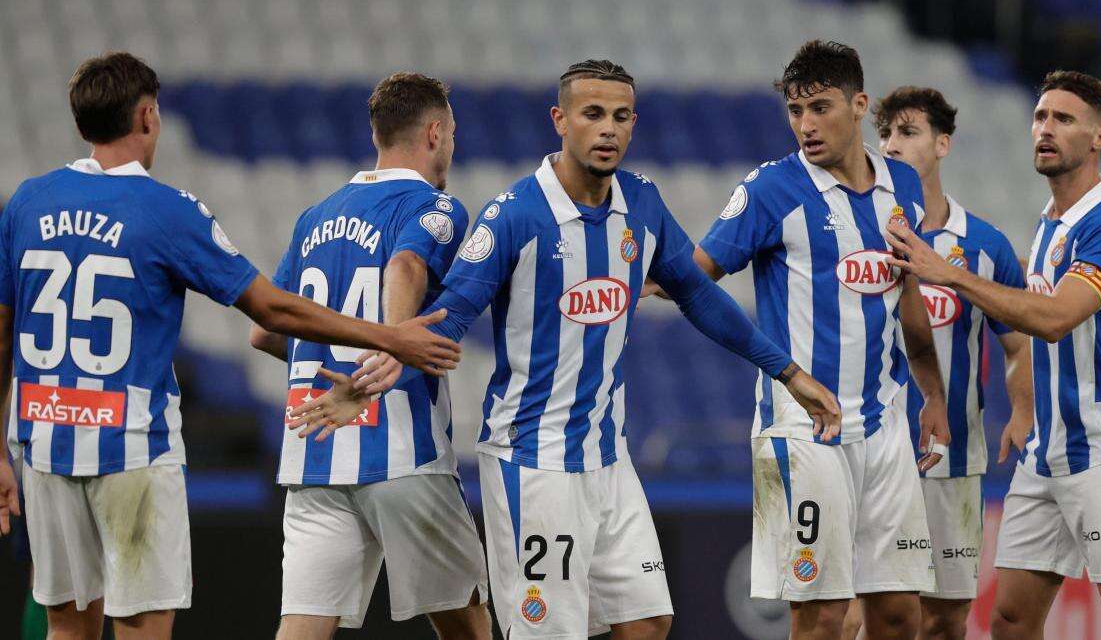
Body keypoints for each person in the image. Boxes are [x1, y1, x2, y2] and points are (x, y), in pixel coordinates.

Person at [291, 58, 842, 640]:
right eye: (593, 114)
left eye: (621, 117)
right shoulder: (515, 215)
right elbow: (446, 319)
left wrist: (788, 373)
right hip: (533, 464)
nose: (608, 129)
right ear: (560, 120)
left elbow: (698, 296)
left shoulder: (643, 203)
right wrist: (375, 377)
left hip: (608, 458)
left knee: (649, 622)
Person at [0, 52, 459, 640]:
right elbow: (268, 308)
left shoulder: (27, 202)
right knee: (142, 625)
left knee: (66, 626)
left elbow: (3, 329)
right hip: (130, 446)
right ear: (147, 117)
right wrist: (387, 336)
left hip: (42, 440)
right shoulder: (166, 210)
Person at [885, 71, 1101, 640]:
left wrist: (949, 273)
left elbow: (1052, 318)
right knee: (1011, 621)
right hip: (1047, 455)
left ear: (1099, 137)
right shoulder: (1050, 225)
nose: (1045, 128)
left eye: (1064, 119)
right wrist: (1024, 410)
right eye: (1040, 117)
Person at [692, 41, 949, 640]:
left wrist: (931, 392)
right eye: (794, 110)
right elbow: (692, 277)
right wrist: (777, 368)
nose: (805, 125)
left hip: (885, 425)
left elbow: (908, 295)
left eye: (820, 108)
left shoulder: (903, 184)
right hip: (804, 429)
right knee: (824, 615)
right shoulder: (770, 190)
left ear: (859, 105)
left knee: (897, 611)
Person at [248, 72, 491, 640]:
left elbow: (265, 333)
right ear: (434, 133)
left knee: (303, 625)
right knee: (467, 625)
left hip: (312, 451)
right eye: (451, 134)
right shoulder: (436, 206)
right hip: (400, 450)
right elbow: (405, 265)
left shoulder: (315, 217)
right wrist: (388, 352)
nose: (452, 146)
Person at [840, 87, 1033, 640]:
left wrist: (1021, 411)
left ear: (942, 144)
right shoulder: (859, 230)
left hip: (954, 456)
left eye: (908, 132)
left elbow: (1018, 343)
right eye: (885, 134)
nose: (891, 145)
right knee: (858, 609)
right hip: (871, 448)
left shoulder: (984, 245)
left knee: (945, 617)